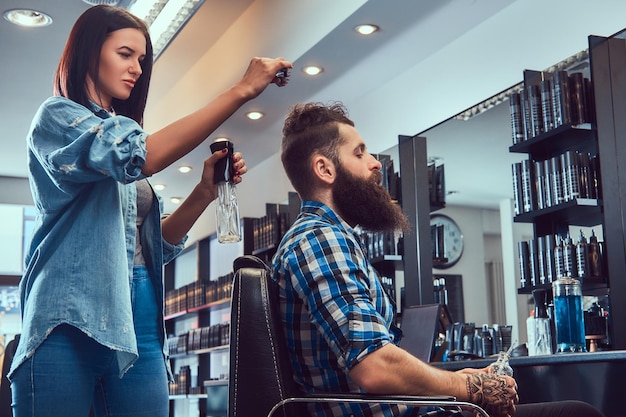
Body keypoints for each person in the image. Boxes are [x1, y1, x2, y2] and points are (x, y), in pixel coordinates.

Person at [7, 5, 292, 417]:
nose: (137, 68)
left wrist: (203, 192)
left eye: (141, 59)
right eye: (126, 54)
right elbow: (144, 156)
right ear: (89, 52)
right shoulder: (57, 117)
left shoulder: (120, 136)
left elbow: (152, 244)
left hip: (137, 315)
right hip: (67, 317)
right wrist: (242, 89)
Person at [271, 102, 605, 417]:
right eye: (359, 153)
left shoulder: (326, 238)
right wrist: (470, 387)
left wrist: (463, 384)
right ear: (324, 168)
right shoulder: (319, 239)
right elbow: (374, 366)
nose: (375, 162)